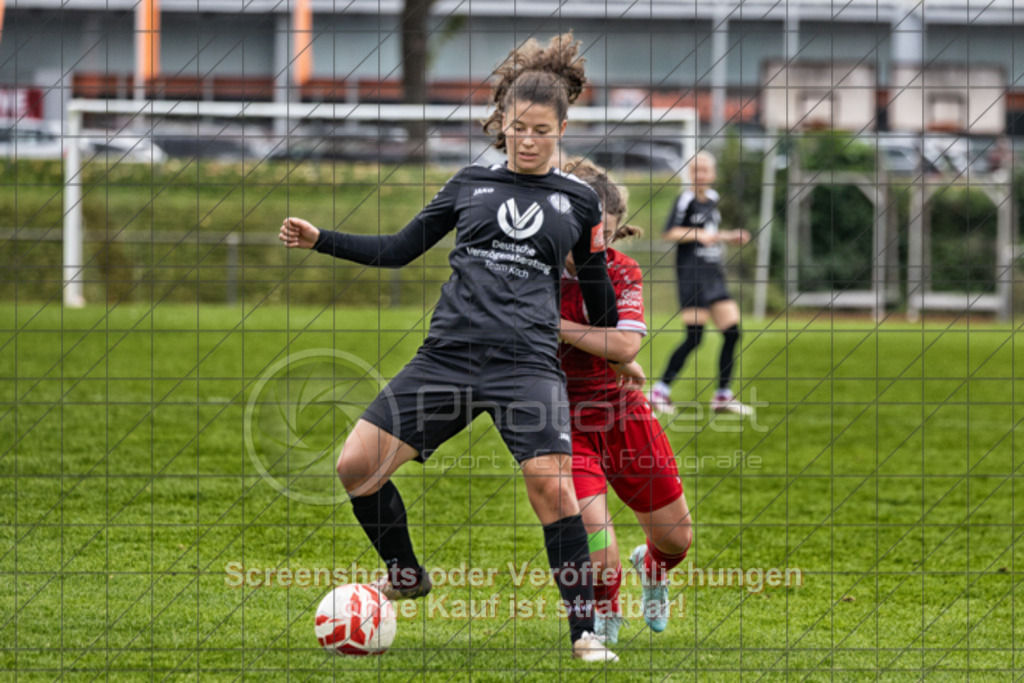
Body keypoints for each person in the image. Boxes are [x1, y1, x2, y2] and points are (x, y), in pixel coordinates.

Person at [279, 33, 619, 662]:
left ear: (563, 129)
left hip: (526, 368)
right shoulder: (469, 184)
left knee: (555, 492)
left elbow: (600, 299)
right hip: (448, 357)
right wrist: (321, 238)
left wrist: (609, 319)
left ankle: (585, 633)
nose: (526, 140)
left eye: (540, 130)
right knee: (355, 466)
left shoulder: (580, 202)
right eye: (517, 127)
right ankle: (405, 574)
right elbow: (399, 249)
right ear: (503, 123)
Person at [558, 158, 693, 644]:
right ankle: (606, 614)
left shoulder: (622, 270)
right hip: (562, 423)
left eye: (607, 235)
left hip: (623, 412)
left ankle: (653, 569)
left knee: (677, 540)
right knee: (599, 547)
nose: (594, 245)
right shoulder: (531, 270)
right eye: (586, 231)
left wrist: (555, 326)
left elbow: (624, 346)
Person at [648, 151, 754, 416]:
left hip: (714, 275)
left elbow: (710, 234)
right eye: (696, 170)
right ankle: (660, 391)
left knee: (732, 333)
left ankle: (723, 395)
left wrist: (728, 237)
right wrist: (698, 234)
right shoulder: (685, 199)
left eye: (705, 170)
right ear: (690, 174)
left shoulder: (714, 200)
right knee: (694, 337)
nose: (701, 175)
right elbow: (669, 232)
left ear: (713, 174)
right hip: (692, 275)